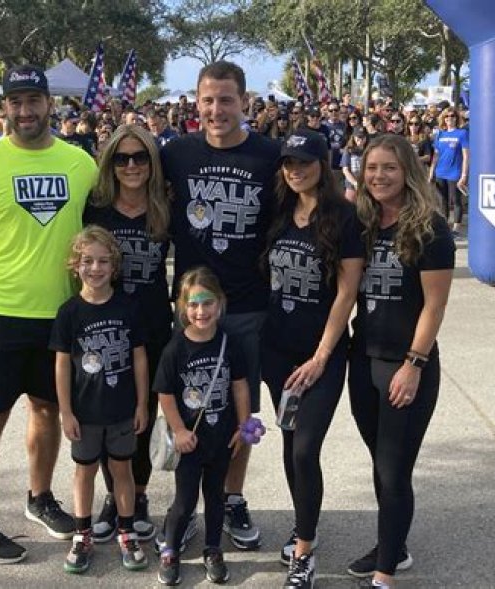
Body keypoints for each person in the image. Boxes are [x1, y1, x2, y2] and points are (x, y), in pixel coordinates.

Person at [0, 64, 98, 564]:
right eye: (16, 102)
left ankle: (40, 497)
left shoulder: (80, 163)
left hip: (62, 313)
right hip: (0, 311)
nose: (25, 110)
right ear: (4, 108)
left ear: (49, 104)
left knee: (47, 407)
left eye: (34, 100)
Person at [161, 60, 281, 551]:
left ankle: (232, 497)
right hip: (191, 307)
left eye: (226, 99)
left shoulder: (270, 155)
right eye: (207, 100)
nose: (216, 110)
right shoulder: (177, 153)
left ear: (244, 102)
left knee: (242, 411)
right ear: (196, 102)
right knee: (190, 404)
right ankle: (186, 503)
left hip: (248, 306)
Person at [348, 134, 455, 588]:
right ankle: (394, 545)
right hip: (363, 360)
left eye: (389, 168)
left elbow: (435, 305)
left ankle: (385, 573)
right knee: (381, 463)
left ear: (407, 171)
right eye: (372, 168)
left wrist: (414, 364)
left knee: (394, 471)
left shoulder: (429, 227)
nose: (379, 176)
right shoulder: (363, 223)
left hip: (406, 366)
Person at [260, 129, 364, 588]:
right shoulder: (279, 212)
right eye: (288, 163)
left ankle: (304, 553)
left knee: (305, 448)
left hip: (321, 354)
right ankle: (306, 525)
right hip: (277, 352)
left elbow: (347, 293)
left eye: (304, 162)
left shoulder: (344, 217)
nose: (295, 170)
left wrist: (322, 355)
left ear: (323, 164)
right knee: (289, 443)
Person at [83, 124, 172, 544]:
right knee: (108, 416)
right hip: (106, 329)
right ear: (110, 163)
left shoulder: (165, 208)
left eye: (140, 157)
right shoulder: (96, 209)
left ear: (152, 162)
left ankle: (137, 495)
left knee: (143, 414)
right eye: (122, 158)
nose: (131, 165)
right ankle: (112, 495)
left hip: (152, 327)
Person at [50, 226, 149, 574]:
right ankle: (82, 534)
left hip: (121, 409)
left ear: (114, 265)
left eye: (104, 261)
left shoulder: (128, 307)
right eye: (88, 261)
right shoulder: (69, 312)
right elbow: (62, 365)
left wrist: (142, 404)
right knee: (85, 471)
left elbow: (139, 358)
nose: (96, 268)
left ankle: (127, 532)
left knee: (122, 470)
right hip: (85, 411)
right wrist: (65, 411)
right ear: (75, 265)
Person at [153, 267, 251, 586]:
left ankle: (213, 549)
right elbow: (165, 393)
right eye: (193, 304)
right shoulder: (175, 349)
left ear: (219, 303)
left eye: (207, 303)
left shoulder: (229, 343)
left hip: (221, 438)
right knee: (184, 501)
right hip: (190, 443)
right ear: (183, 307)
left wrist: (244, 425)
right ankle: (170, 550)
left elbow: (240, 385)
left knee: (216, 497)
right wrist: (179, 431)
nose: (201, 311)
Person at [428, 108, 469, 237]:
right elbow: (436, 155)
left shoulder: (462, 133)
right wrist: (431, 172)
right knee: (443, 201)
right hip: (440, 172)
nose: (449, 118)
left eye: (452, 116)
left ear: (456, 118)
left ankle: (456, 229)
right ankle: (444, 226)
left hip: (455, 172)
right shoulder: (440, 134)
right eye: (447, 116)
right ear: (443, 119)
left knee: (456, 200)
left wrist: (464, 175)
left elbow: (466, 156)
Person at [341, 127, 368, 202]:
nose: (360, 139)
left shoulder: (369, 150)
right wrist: (355, 183)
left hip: (366, 185)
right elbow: (345, 170)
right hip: (351, 186)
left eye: (363, 137)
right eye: (358, 137)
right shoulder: (348, 150)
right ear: (353, 137)